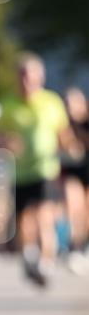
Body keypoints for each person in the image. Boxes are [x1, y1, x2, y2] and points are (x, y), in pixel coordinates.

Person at [0, 54, 72, 288]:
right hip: (18, 172)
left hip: (45, 168)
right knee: (23, 218)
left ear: (40, 77)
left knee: (44, 215)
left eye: (32, 75)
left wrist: (69, 146)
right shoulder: (8, 104)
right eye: (23, 75)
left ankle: (46, 263)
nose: (27, 81)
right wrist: (4, 141)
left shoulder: (50, 102)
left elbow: (62, 132)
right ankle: (29, 255)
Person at [60, 87, 89, 273]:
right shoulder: (63, 124)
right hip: (72, 172)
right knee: (73, 207)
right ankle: (74, 246)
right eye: (67, 104)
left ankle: (83, 245)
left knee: (86, 211)